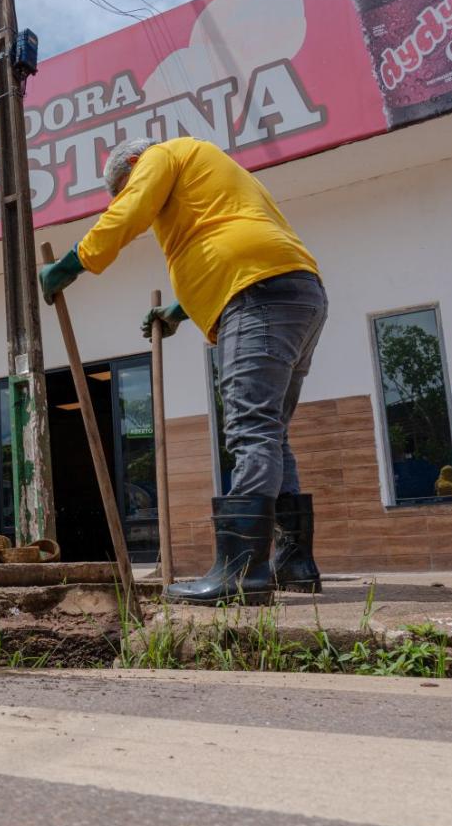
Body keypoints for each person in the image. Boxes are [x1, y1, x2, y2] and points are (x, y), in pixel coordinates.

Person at [40, 136, 327, 605]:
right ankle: (294, 563)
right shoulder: (211, 173)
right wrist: (177, 311)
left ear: (133, 164)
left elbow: (128, 213)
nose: (134, 200)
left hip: (256, 295)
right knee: (270, 433)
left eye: (125, 187)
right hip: (293, 291)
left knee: (251, 431)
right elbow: (226, 241)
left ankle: (242, 574)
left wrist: (71, 266)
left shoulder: (162, 155)